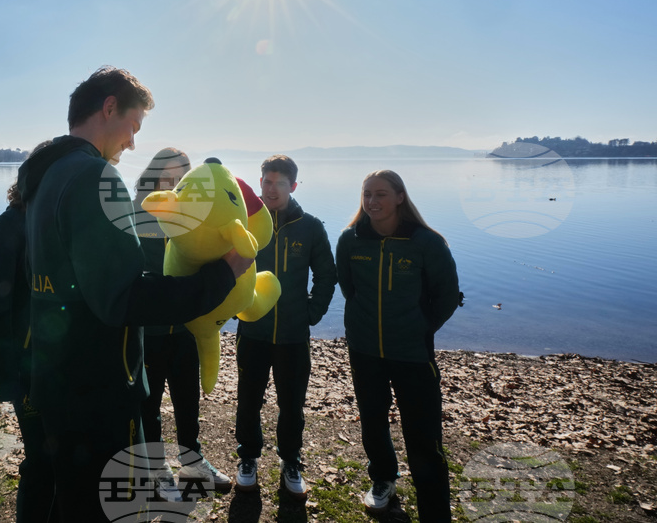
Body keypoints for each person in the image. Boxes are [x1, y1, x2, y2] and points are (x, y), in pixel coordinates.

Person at [16, 66, 253, 522]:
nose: (133, 142)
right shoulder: (94, 178)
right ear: (109, 108)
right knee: (104, 509)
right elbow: (123, 299)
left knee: (68, 499)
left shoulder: (45, 177)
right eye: (133, 126)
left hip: (58, 378)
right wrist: (220, 279)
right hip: (100, 389)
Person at [335, 170, 461, 522]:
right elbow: (349, 288)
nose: (372, 202)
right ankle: (383, 481)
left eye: (381, 194)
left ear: (400, 197)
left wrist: (420, 328)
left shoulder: (426, 242)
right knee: (373, 424)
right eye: (366, 194)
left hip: (412, 355)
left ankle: (434, 513)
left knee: (423, 440)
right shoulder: (350, 240)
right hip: (364, 350)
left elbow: (448, 296)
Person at [234, 154, 337, 499]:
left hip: (293, 335)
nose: (272, 189)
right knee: (248, 399)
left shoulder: (310, 227)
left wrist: (312, 312)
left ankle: (290, 460)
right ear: (260, 183)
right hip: (253, 331)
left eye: (280, 183)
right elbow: (225, 267)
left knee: (292, 403)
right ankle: (248, 457)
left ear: (293, 186)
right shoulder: (246, 223)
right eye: (267, 182)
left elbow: (326, 274)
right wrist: (233, 305)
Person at [133, 148, 232, 503]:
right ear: (153, 178)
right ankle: (157, 469)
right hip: (149, 333)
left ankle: (194, 462)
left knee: (188, 403)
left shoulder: (198, 217)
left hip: (187, 329)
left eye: (182, 178)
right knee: (149, 406)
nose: (175, 184)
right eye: (167, 178)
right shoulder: (136, 216)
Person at [0, 158, 54, 523]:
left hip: (58, 368)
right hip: (26, 371)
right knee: (40, 459)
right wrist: (7, 380)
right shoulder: (9, 225)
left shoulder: (51, 223)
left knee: (60, 456)